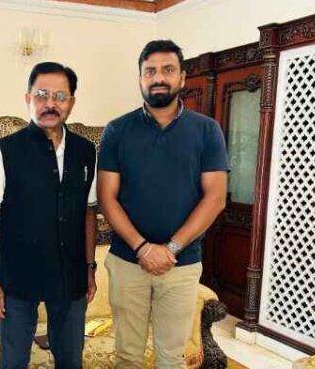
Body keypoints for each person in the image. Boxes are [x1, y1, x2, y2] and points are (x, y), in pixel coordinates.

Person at [98, 40, 229, 369]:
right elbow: (107, 197)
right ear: (140, 79)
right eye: (150, 71)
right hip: (128, 261)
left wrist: (171, 248)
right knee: (127, 356)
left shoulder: (207, 130)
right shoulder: (117, 130)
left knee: (172, 357)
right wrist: (142, 248)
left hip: (181, 264)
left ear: (182, 77)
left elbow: (215, 198)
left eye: (168, 70)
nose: (158, 77)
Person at [0, 62, 97, 369]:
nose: (50, 103)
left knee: (71, 361)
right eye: (42, 95)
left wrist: (90, 267)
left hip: (70, 278)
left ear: (71, 102)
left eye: (60, 96)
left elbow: (89, 213)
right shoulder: (4, 152)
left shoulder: (86, 151)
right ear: (27, 98)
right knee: (13, 361)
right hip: (17, 279)